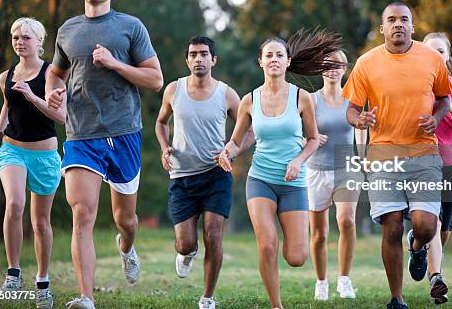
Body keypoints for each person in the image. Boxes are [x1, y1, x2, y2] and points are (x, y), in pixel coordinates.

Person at [46, 0, 163, 309]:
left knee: (125, 219)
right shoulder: (67, 30)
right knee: (82, 213)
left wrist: (115, 64)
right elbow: (55, 72)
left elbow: (155, 80)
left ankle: (126, 246)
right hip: (81, 134)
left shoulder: (130, 27)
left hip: (124, 131)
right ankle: (86, 297)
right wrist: (54, 91)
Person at [217, 30, 344, 309]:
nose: (274, 59)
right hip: (260, 179)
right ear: (260, 62)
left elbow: (313, 139)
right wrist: (227, 153)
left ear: (287, 62)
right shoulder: (249, 100)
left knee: (296, 257)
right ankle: (277, 306)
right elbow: (238, 141)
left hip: (294, 183)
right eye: (269, 55)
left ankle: (293, 243)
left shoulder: (302, 98)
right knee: (268, 244)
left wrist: (298, 161)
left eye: (279, 55)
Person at [342, 1, 451, 309]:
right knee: (391, 224)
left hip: (424, 154)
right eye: (391, 20)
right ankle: (397, 298)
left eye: (404, 19)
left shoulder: (431, 59)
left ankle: (417, 247)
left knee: (427, 225)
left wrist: (436, 116)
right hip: (382, 156)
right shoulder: (366, 63)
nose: (398, 24)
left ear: (412, 26)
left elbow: (444, 98)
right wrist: (359, 119)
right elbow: (350, 109)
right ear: (383, 28)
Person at [155, 36, 254, 309]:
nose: (198, 59)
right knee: (185, 244)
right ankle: (187, 253)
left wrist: (231, 152)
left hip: (216, 175)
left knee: (213, 234)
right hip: (182, 177)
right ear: (187, 60)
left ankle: (207, 298)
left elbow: (251, 130)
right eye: (193, 54)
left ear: (214, 60)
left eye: (204, 54)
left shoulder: (227, 94)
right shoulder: (174, 90)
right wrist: (165, 147)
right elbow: (161, 123)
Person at [0, 17, 66, 309]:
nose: (20, 42)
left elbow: (61, 117)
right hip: (12, 150)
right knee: (15, 203)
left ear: (40, 42)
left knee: (40, 221)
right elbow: (8, 105)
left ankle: (43, 281)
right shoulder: (5, 76)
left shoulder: (51, 75)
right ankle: (13, 274)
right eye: (15, 37)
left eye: (26, 37)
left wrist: (33, 96)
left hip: (45, 155)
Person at [306, 49, 367, 301]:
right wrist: (309, 138)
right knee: (319, 233)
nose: (332, 69)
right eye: (327, 65)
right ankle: (321, 282)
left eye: (338, 65)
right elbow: (298, 131)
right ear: (321, 69)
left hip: (346, 166)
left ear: (345, 69)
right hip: (315, 170)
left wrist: (362, 156)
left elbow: (361, 127)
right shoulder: (309, 100)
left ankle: (344, 279)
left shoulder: (352, 99)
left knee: (346, 221)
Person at [422, 32, 452, 304]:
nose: (436, 56)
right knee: (432, 221)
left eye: (441, 52)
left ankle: (420, 249)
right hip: (424, 161)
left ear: (448, 57)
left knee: (444, 226)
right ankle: (436, 277)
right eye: (430, 51)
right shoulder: (418, 86)